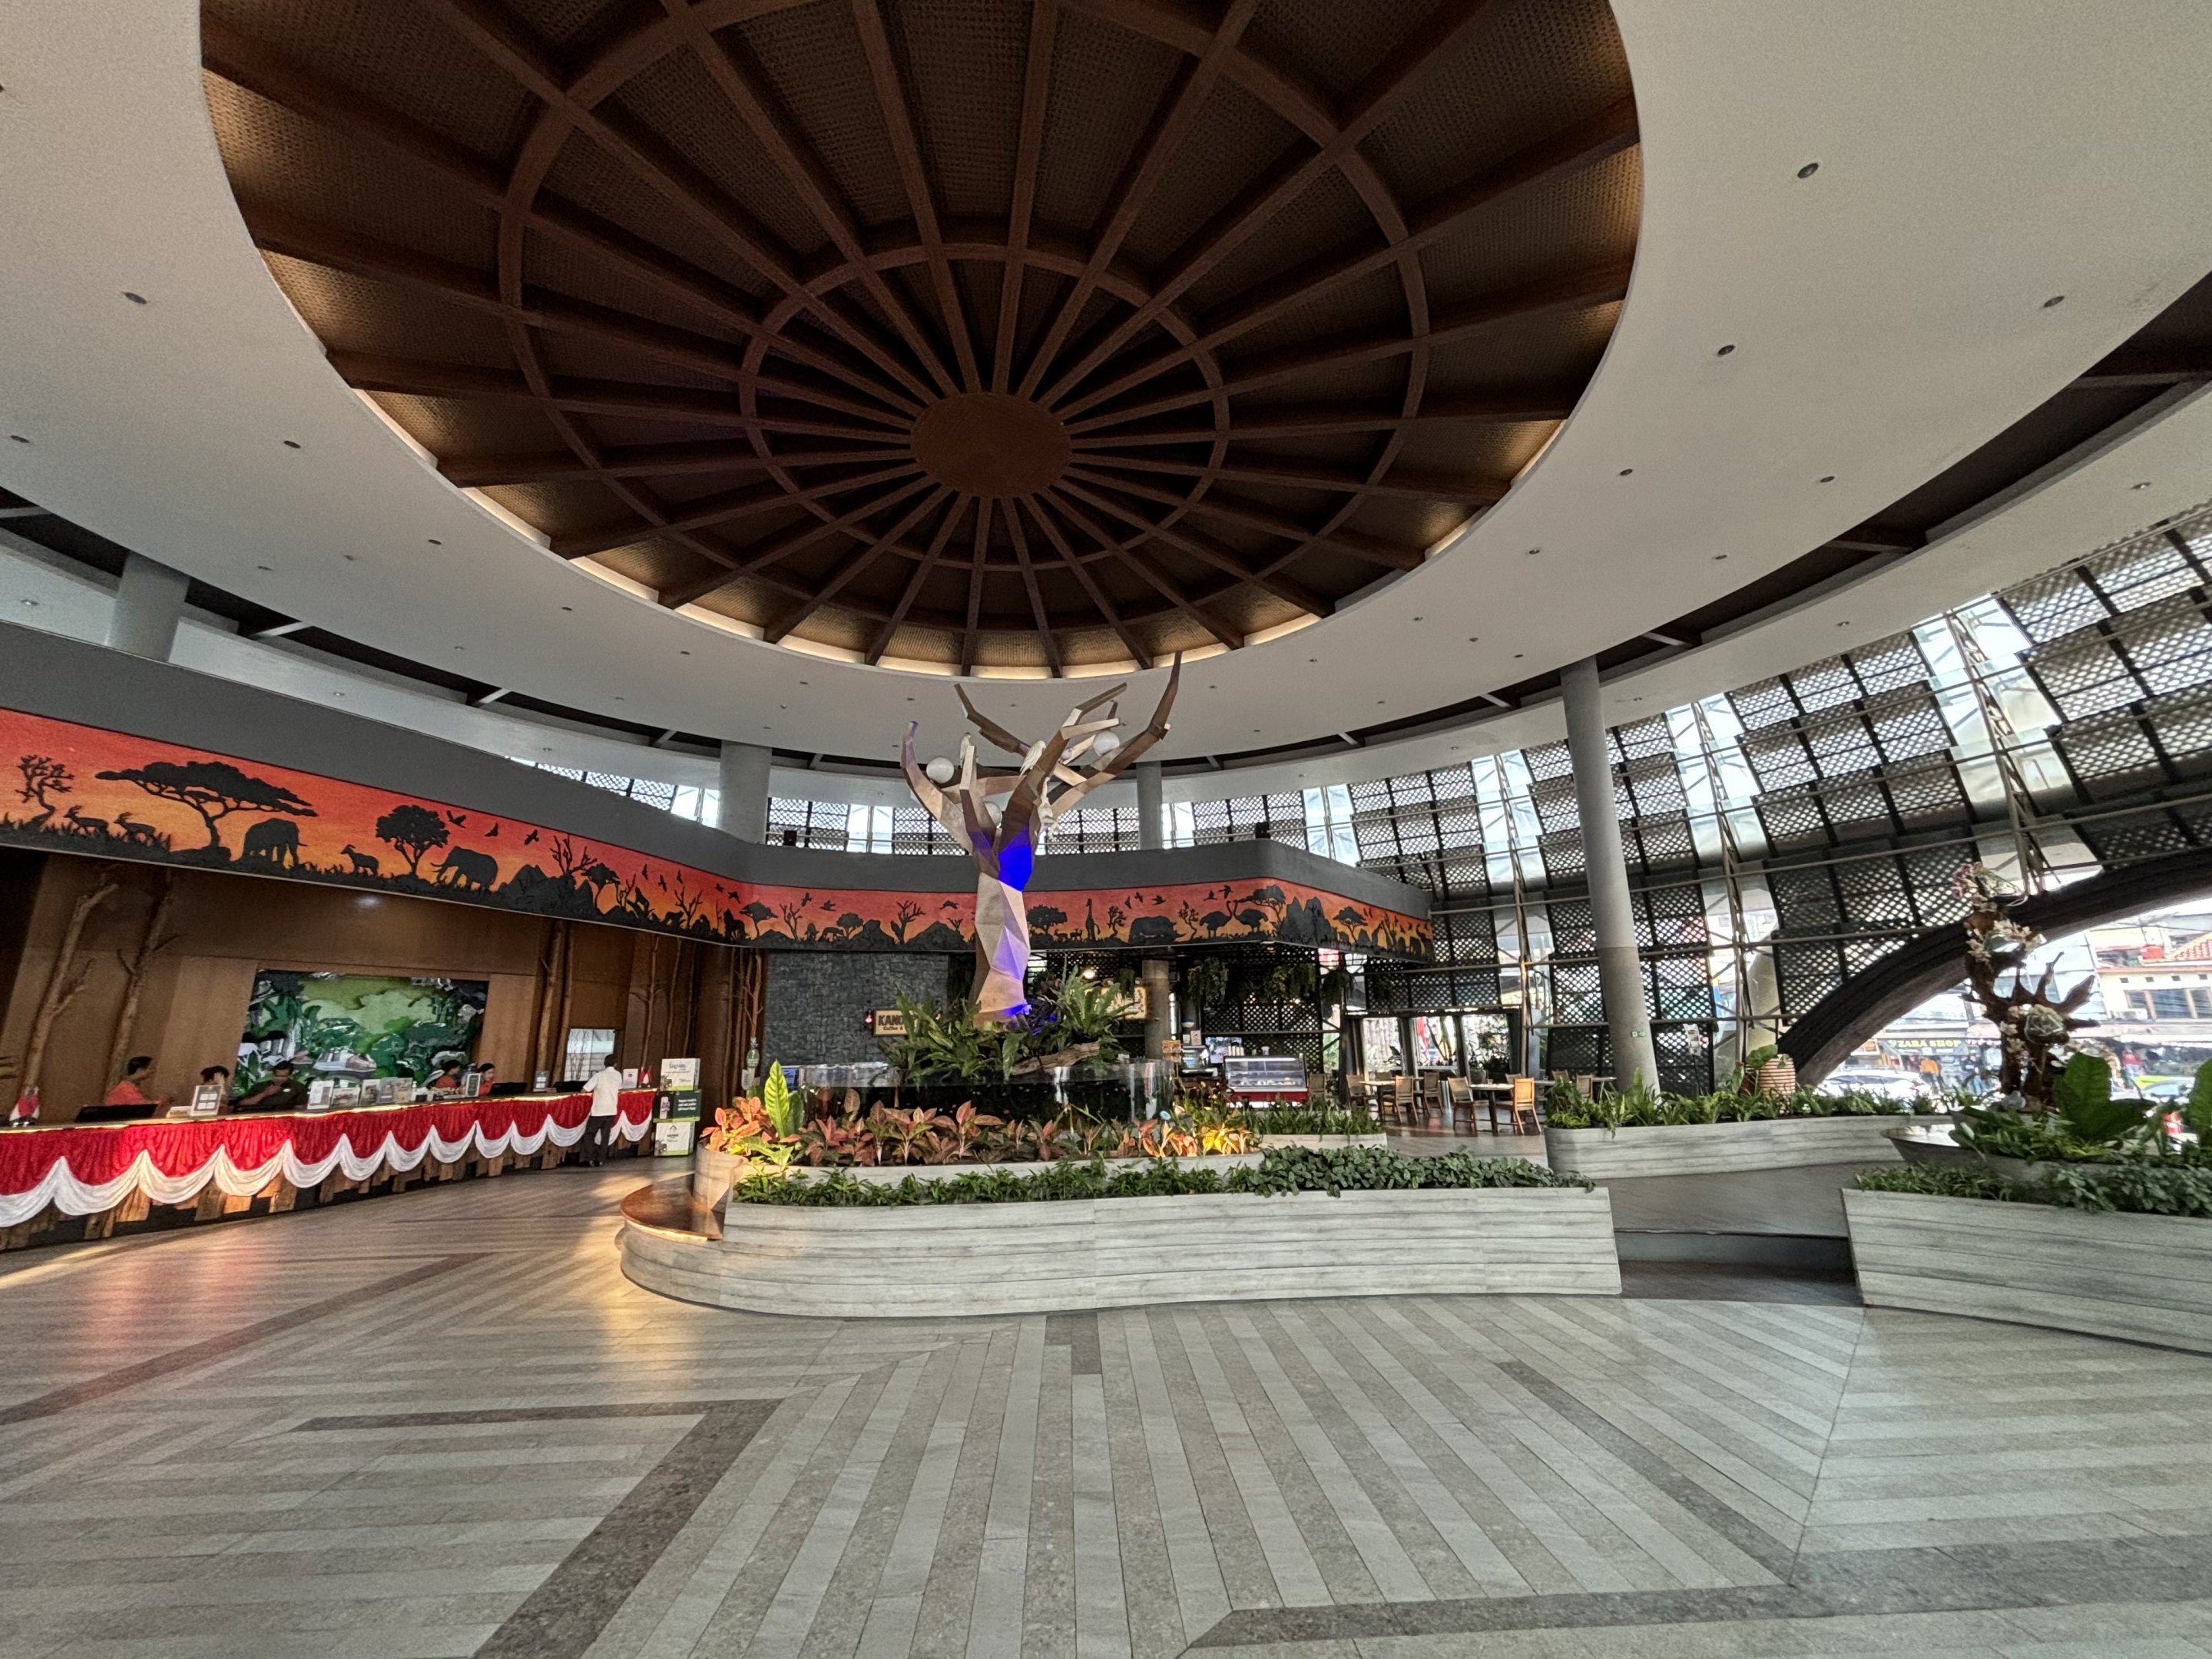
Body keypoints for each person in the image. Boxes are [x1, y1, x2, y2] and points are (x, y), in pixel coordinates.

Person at [581, 1055, 623, 1166]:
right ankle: (600, 1159)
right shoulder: (618, 1075)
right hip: (611, 1110)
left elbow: (584, 1090)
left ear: (604, 1063)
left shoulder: (599, 1076)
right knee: (605, 1136)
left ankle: (590, 1158)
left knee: (589, 1134)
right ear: (615, 1064)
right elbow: (619, 1089)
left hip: (598, 1110)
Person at [103, 1055, 171, 1113]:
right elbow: (143, 1107)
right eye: (150, 1068)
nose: (153, 1071)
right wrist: (163, 1100)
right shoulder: (125, 1088)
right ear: (139, 1070)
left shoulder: (132, 1085)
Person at [238, 1059, 309, 1111]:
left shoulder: (298, 1088)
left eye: (283, 1076)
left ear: (289, 1075)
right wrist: (264, 1094)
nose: (279, 1079)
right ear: (273, 1074)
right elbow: (242, 1103)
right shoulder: (260, 1086)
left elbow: (300, 1108)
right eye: (277, 1076)